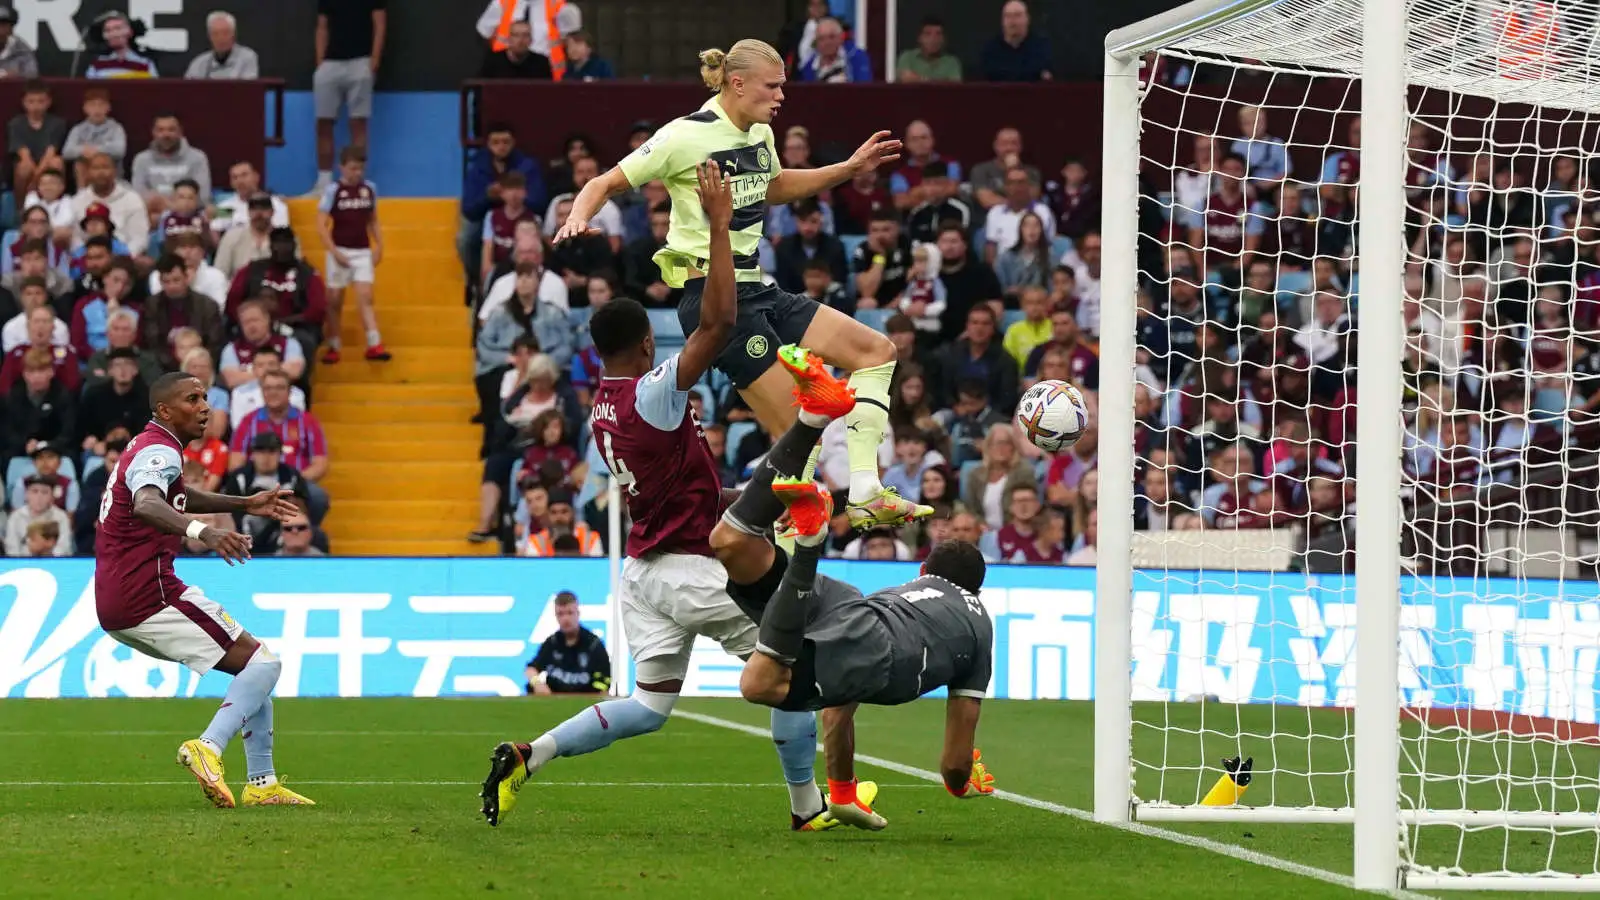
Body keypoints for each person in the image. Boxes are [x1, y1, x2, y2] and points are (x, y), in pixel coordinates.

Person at [481, 162, 862, 834]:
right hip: (694, 568)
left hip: (645, 574)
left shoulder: (598, 405)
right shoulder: (651, 393)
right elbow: (715, 327)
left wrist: (758, 493)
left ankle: (529, 754)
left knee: (649, 705)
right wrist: (720, 229)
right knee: (792, 666)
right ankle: (809, 808)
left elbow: (685, 484)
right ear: (641, 345)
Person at [555, 39, 924, 527]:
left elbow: (774, 187)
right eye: (772, 87)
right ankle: (774, 555)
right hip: (713, 299)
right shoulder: (684, 136)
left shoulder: (759, 136)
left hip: (758, 287)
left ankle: (867, 491)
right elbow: (603, 183)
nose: (780, 97)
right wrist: (577, 217)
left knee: (877, 352)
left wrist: (848, 169)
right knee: (796, 435)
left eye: (782, 87)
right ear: (737, 83)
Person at [713, 373, 996, 829]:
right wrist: (963, 780)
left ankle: (767, 514)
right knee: (759, 685)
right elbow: (953, 762)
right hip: (878, 651)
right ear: (976, 591)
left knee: (733, 548)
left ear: (923, 572)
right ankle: (808, 542)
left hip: (855, 605)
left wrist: (843, 793)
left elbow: (839, 706)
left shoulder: (908, 590)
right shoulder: (980, 621)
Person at [93, 371, 310, 806]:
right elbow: (148, 503)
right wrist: (204, 534)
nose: (205, 407)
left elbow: (174, 495)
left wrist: (244, 503)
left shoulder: (147, 446)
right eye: (192, 399)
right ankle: (207, 747)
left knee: (250, 667)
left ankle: (262, 785)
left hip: (122, 593)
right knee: (265, 665)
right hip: (148, 591)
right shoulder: (160, 450)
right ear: (165, 411)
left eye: (206, 397)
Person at [317, 146, 387, 362]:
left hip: (362, 250)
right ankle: (334, 345)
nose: (357, 173)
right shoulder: (333, 191)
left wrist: (380, 246)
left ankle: (374, 344)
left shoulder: (369, 189)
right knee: (334, 300)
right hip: (340, 250)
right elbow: (321, 225)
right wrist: (334, 252)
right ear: (342, 168)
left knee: (365, 296)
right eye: (353, 168)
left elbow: (372, 219)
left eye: (360, 168)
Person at [312, 0, 386, 193]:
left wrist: (374, 60)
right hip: (330, 63)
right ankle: (323, 184)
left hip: (361, 61)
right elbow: (322, 26)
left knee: (358, 123)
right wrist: (320, 61)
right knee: (323, 123)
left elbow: (379, 23)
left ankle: (356, 182)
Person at [524, 591, 612, 694]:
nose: (565, 619)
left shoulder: (594, 644)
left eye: (570, 613)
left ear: (578, 614)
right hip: (554, 701)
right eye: (560, 614)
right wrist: (537, 683)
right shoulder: (552, 643)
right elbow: (531, 669)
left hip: (585, 703)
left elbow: (605, 681)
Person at [185, 11, 261, 79]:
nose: (220, 38)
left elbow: (248, 90)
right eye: (215, 34)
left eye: (225, 33)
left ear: (234, 34)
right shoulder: (199, 62)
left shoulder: (247, 58)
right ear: (209, 36)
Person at [85, 13, 158, 78]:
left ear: (130, 32)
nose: (113, 34)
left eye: (118, 28)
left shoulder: (144, 64)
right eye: (108, 30)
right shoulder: (97, 65)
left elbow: (154, 90)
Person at [479, 20, 553, 80]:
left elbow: (547, 92)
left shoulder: (541, 62)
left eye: (525, 35)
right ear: (508, 39)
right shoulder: (493, 61)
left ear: (531, 40)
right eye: (516, 35)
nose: (520, 40)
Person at [896, 16, 961, 82]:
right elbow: (906, 79)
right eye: (928, 34)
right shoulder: (908, 57)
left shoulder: (951, 62)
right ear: (919, 38)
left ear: (944, 39)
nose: (933, 39)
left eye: (938, 34)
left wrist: (920, 79)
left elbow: (954, 88)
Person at [0, 6, 38, 78]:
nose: (0, 30)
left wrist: (14, 75)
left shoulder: (22, 50)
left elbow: (32, 74)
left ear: (11, 28)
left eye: (3, 25)